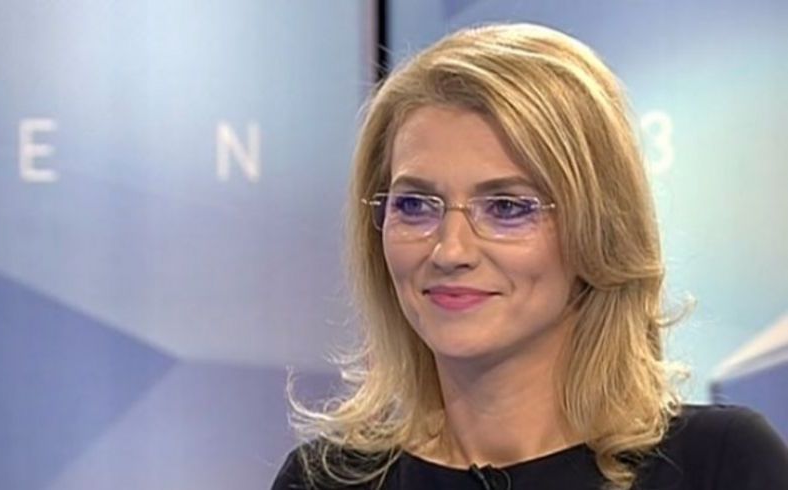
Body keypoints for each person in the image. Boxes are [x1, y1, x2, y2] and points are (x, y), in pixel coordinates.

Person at [271, 23, 788, 489]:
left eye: (507, 207)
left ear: (598, 229)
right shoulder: (323, 482)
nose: (450, 250)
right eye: (415, 204)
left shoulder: (720, 465)